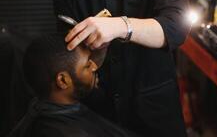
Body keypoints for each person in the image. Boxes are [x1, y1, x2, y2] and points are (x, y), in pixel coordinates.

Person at [42, 0, 191, 136]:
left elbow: (175, 29)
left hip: (155, 111)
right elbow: (70, 54)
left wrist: (121, 26)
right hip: (99, 113)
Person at [7, 34, 137, 137]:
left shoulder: (39, 108)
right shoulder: (66, 132)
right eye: (87, 65)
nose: (94, 66)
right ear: (63, 80)